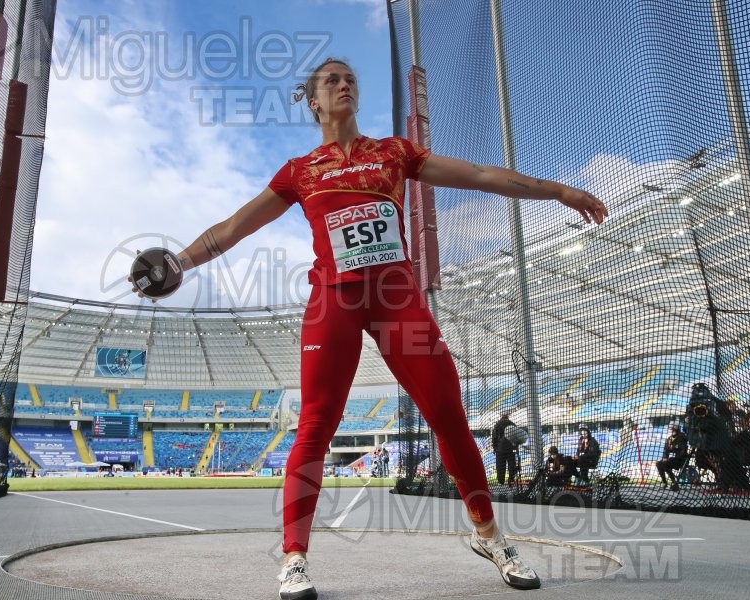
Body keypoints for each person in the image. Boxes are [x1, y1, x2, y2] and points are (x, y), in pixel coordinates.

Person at [131, 58, 607, 599]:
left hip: (395, 299)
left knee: (448, 415)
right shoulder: (300, 170)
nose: (344, 84)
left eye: (350, 78)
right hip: (334, 300)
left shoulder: (394, 154)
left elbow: (477, 175)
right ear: (313, 101)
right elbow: (234, 228)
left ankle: (490, 536)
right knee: (315, 424)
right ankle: (294, 558)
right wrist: (180, 263)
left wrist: (557, 192)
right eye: (331, 80)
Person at [656, 422, 688, 491]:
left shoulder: (682, 437)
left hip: (681, 460)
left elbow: (683, 452)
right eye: (671, 429)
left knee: (665, 463)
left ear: (677, 429)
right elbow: (666, 450)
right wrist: (665, 457)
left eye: (673, 429)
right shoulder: (669, 439)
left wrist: (671, 458)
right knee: (659, 463)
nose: (671, 430)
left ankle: (674, 482)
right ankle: (664, 482)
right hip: (672, 460)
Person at [491, 413, 518, 485]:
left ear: (501, 417)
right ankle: (511, 480)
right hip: (510, 448)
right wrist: (516, 448)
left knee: (500, 466)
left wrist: (494, 447)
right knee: (512, 465)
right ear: (507, 417)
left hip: (500, 449)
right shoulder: (513, 424)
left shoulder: (497, 424)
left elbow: (494, 438)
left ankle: (501, 482)